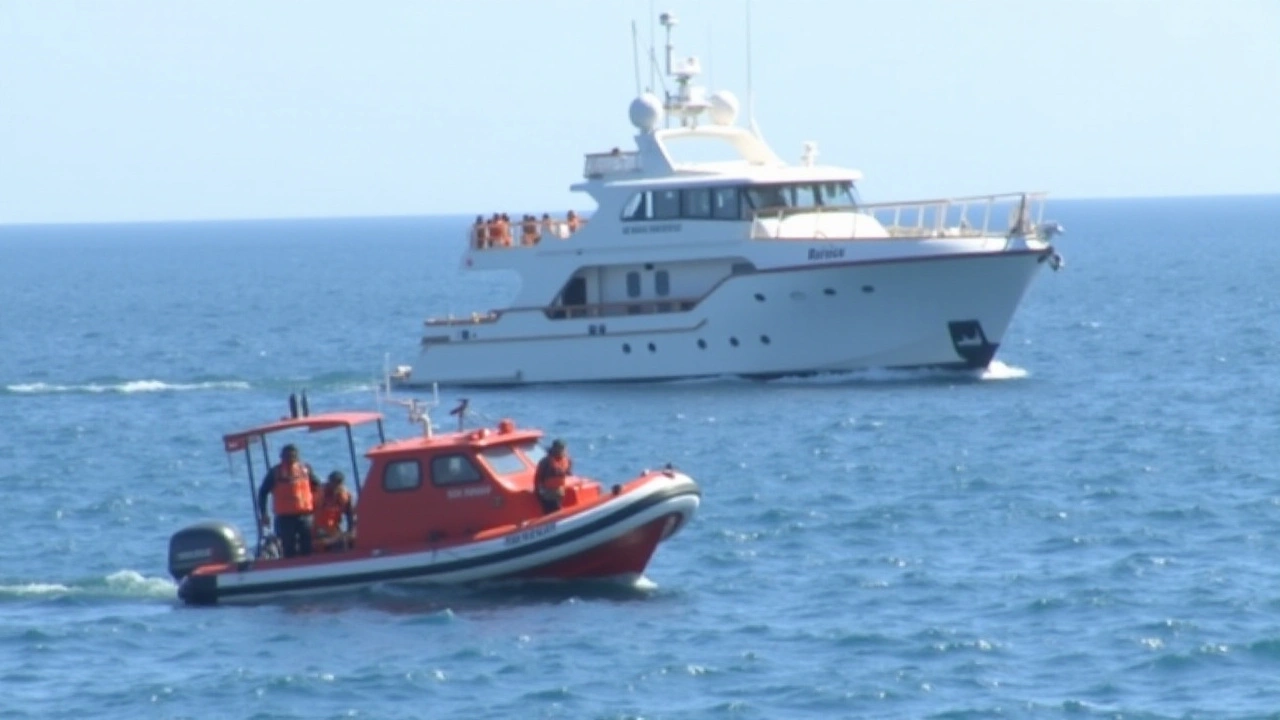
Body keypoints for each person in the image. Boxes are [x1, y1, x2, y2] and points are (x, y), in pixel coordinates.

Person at [257, 444, 321, 557]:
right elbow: (263, 493)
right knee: (288, 547)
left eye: (293, 456)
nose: (290, 459)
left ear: (297, 457)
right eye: (287, 456)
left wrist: (316, 504)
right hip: (285, 517)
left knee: (307, 545)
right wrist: (264, 514)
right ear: (282, 457)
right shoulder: (274, 473)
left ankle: (308, 566)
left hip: (304, 515)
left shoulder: (305, 469)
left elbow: (317, 485)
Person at [313, 470, 355, 551]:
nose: (335, 486)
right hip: (318, 530)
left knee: (343, 542)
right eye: (333, 483)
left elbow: (350, 515)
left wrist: (350, 531)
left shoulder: (345, 496)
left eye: (338, 484)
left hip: (334, 529)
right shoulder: (320, 493)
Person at [534, 439, 572, 514]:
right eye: (560, 448)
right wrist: (538, 491)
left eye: (563, 448)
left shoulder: (567, 461)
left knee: (557, 507)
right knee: (551, 510)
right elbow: (538, 478)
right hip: (547, 494)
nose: (562, 451)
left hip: (559, 492)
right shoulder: (545, 462)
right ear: (555, 449)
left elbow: (568, 473)